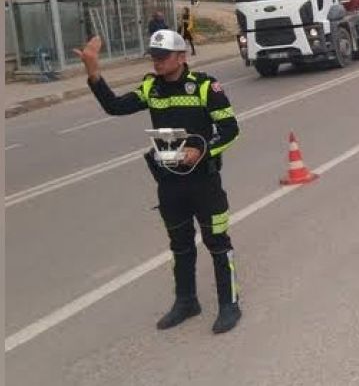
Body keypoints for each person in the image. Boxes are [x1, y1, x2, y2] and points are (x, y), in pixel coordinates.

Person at [73, 30, 242, 334]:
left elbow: (230, 129)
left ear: (181, 57)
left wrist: (201, 149)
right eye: (154, 57)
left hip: (204, 182)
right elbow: (115, 106)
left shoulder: (204, 86)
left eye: (163, 57)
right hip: (170, 183)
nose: (158, 62)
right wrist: (93, 71)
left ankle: (229, 304)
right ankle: (187, 301)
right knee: (179, 245)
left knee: (217, 243)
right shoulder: (151, 88)